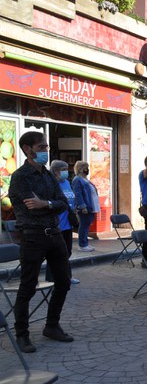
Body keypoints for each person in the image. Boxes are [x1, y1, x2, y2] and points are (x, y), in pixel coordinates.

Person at [8, 131, 74, 352]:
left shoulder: (47, 175)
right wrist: (50, 204)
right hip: (32, 236)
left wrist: (45, 203)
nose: (46, 151)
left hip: (54, 234)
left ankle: (52, 326)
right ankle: (22, 334)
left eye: (46, 147)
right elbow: (31, 207)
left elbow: (63, 203)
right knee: (28, 286)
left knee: (63, 281)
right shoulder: (20, 177)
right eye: (41, 147)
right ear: (27, 150)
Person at [46, 160, 78, 285]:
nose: (66, 172)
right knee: (55, 253)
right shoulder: (51, 184)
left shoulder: (67, 183)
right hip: (56, 224)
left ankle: (66, 277)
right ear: (55, 171)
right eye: (63, 169)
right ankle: (52, 278)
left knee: (67, 252)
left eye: (67, 169)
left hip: (67, 223)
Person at [71, 160, 99, 252]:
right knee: (84, 225)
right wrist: (82, 206)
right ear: (80, 169)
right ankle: (82, 244)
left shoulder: (85, 179)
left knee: (86, 225)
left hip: (90, 206)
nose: (87, 170)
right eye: (85, 168)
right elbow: (78, 194)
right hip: (84, 207)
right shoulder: (77, 180)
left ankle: (85, 243)